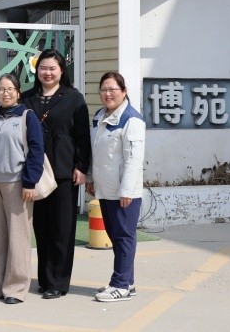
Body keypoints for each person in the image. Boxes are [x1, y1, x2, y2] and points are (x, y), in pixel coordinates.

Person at [20, 49, 91, 299]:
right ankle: (45, 279)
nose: (47, 73)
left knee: (62, 229)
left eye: (52, 68)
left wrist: (81, 167)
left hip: (63, 172)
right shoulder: (26, 98)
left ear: (61, 70)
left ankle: (58, 282)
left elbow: (82, 136)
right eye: (43, 68)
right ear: (37, 71)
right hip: (35, 172)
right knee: (41, 228)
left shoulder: (73, 98)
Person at [0, 74, 45, 305]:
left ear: (18, 92)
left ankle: (16, 288)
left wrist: (30, 182)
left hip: (17, 183)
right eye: (1, 89)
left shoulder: (27, 117)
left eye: (10, 89)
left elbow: (36, 150)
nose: (5, 93)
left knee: (18, 237)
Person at [86, 71, 146, 302]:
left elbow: (134, 159)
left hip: (124, 193)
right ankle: (127, 282)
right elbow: (95, 151)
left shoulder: (132, 120)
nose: (108, 94)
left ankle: (120, 285)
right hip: (105, 189)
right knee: (115, 235)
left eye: (113, 89)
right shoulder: (100, 116)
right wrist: (90, 178)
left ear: (124, 91)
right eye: (104, 89)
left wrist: (127, 190)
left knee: (124, 237)